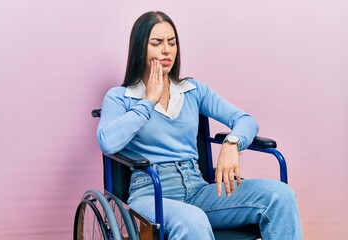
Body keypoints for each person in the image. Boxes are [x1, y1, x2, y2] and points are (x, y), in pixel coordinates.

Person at [97, 11, 302, 240]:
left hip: (197, 188)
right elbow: (107, 142)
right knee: (192, 219)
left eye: (172, 43)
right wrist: (148, 102)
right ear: (140, 48)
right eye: (157, 43)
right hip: (150, 193)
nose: (167, 50)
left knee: (280, 196)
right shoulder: (120, 97)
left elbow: (245, 120)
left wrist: (232, 143)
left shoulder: (193, 91)